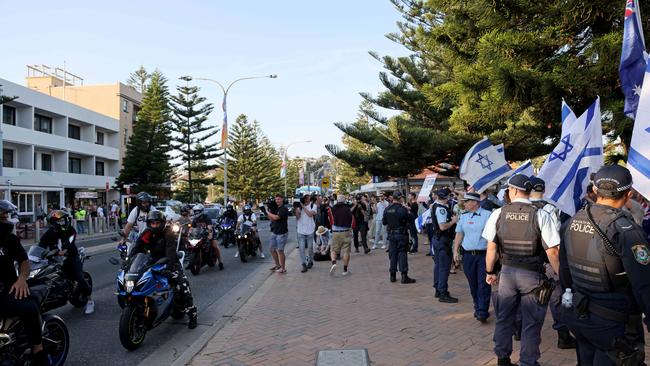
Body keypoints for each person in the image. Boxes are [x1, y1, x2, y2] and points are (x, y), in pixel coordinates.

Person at [560, 165, 650, 365]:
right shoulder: (626, 230)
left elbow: (564, 271)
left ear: (594, 191)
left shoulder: (572, 222)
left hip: (578, 313)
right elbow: (643, 282)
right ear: (628, 194)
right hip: (613, 322)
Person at [484, 174, 561, 366]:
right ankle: (528, 362)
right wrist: (561, 275)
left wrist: (490, 272)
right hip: (533, 276)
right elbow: (552, 251)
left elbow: (491, 249)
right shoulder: (541, 214)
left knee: (504, 318)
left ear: (513, 190)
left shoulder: (498, 213)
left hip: (507, 275)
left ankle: (502, 358)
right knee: (531, 324)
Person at [529, 176, 576, 349]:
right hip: (548, 260)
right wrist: (558, 270)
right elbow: (554, 241)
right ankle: (562, 336)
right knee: (556, 299)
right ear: (544, 191)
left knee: (527, 298)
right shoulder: (550, 209)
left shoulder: (517, 209)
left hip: (524, 262)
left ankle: (521, 331)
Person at [0, 200, 49, 365]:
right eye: (3, 215)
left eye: (5, 215)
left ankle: (38, 349)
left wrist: (21, 280)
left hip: (8, 289)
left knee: (28, 307)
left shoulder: (9, 239)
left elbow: (23, 261)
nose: (6, 218)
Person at [131, 211, 198, 329]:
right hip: (152, 262)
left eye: (157, 223)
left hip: (169, 262)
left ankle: (192, 314)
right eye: (152, 223)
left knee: (182, 286)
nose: (155, 226)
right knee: (136, 280)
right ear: (149, 224)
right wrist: (129, 262)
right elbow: (137, 247)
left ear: (162, 223)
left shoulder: (168, 233)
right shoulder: (147, 233)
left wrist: (169, 268)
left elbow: (171, 251)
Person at [39, 209, 95, 314]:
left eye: (62, 220)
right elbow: (41, 244)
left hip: (71, 257)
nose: (62, 223)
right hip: (54, 259)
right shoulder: (50, 232)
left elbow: (70, 241)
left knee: (79, 277)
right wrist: (35, 255)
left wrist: (64, 250)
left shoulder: (70, 230)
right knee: (45, 276)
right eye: (58, 221)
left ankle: (90, 301)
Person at [452, 192, 492, 322]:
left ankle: (482, 311)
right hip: (468, 255)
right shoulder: (463, 217)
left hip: (483, 255)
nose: (464, 204)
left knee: (483, 284)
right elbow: (459, 234)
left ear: (475, 202)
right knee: (473, 283)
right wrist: (455, 251)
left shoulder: (487, 215)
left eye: (467, 201)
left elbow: (492, 236)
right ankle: (477, 306)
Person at [431, 188, 459, 303]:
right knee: (444, 267)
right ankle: (443, 292)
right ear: (447, 197)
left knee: (438, 265)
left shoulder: (435, 206)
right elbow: (443, 226)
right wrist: (453, 221)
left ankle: (438, 288)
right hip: (443, 240)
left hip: (438, 239)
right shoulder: (441, 209)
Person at [383, 190, 416, 284]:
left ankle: (392, 275)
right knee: (402, 253)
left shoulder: (387, 209)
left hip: (391, 234)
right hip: (401, 234)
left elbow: (384, 222)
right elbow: (412, 219)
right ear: (400, 198)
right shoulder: (402, 209)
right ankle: (404, 276)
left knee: (393, 254)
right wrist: (408, 211)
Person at [327, 194, 354, 276]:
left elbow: (330, 220)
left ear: (337, 200)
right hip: (346, 232)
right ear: (344, 200)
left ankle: (334, 263)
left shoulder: (332, 209)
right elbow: (351, 219)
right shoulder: (348, 209)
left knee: (333, 250)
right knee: (346, 251)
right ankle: (345, 270)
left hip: (336, 232)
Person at [192, 204, 224, 270]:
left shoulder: (206, 217)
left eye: (198, 211)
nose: (196, 213)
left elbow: (209, 228)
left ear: (201, 211)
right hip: (200, 235)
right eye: (195, 211)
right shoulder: (195, 219)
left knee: (214, 246)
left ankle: (220, 262)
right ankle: (193, 262)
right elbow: (192, 229)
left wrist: (210, 235)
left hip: (210, 233)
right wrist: (190, 235)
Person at [267, 194, 290, 273]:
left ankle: (283, 268)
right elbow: (272, 219)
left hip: (282, 233)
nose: (277, 201)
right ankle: (277, 265)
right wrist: (267, 212)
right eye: (276, 199)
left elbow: (276, 217)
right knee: (271, 249)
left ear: (282, 200)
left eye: (279, 199)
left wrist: (267, 212)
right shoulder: (276, 208)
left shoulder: (284, 209)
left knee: (280, 251)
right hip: (275, 231)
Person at [295, 195, 317, 272]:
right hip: (300, 230)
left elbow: (310, 214)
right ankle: (303, 264)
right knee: (301, 248)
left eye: (307, 198)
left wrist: (303, 207)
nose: (306, 199)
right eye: (305, 198)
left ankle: (310, 261)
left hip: (310, 230)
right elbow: (297, 217)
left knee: (310, 248)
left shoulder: (313, 205)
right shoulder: (299, 207)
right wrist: (297, 210)